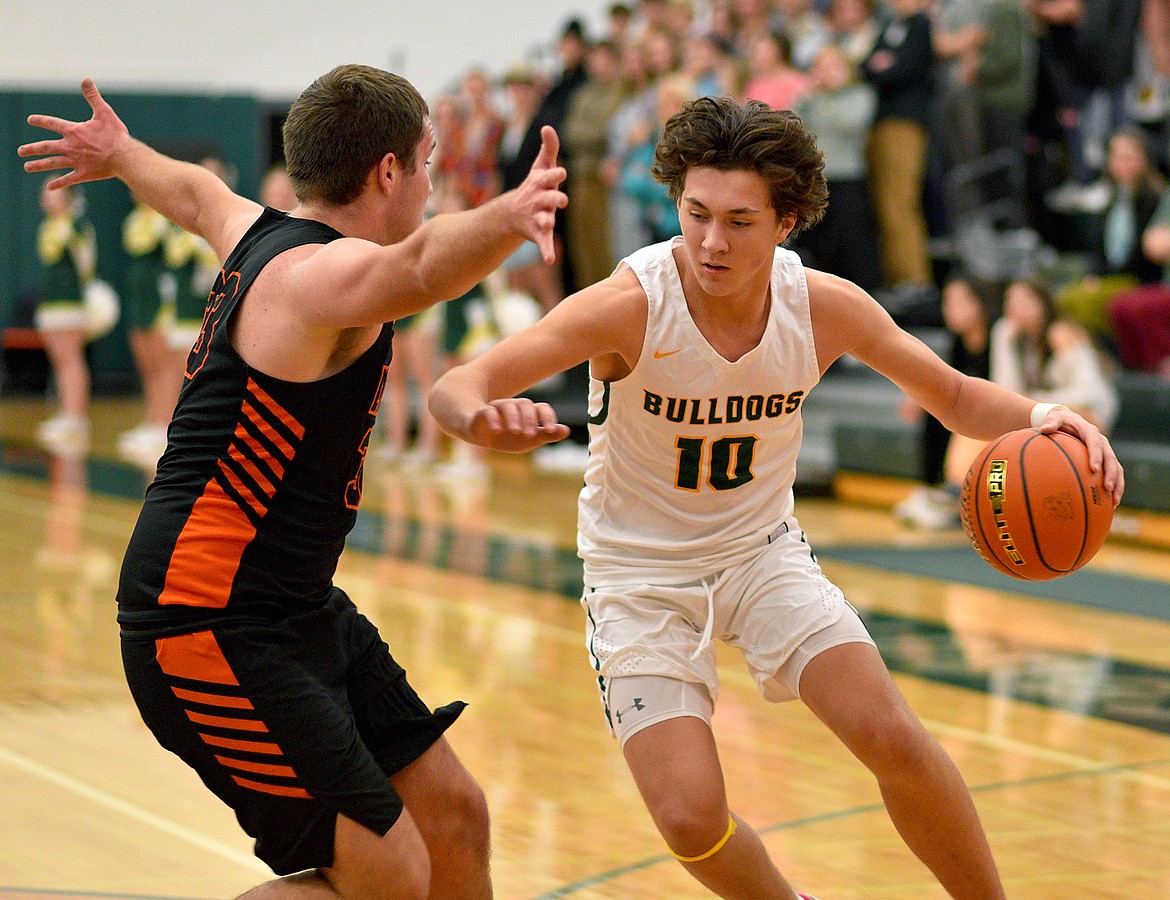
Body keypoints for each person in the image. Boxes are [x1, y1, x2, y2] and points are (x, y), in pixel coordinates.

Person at [429, 95, 1124, 900]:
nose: (711, 241)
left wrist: (1052, 418)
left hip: (760, 554)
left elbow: (959, 399)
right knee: (689, 818)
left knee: (891, 734)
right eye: (695, 214)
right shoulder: (632, 302)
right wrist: (475, 419)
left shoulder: (822, 306)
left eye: (739, 220)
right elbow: (461, 381)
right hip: (637, 577)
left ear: (786, 221)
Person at [19, 66, 566, 898]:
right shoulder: (318, 281)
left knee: (454, 816)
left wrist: (126, 153)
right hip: (203, 621)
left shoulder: (258, 229)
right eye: (427, 160)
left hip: (291, 604)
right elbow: (421, 267)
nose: (430, 178)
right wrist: (509, 213)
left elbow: (197, 195)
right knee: (390, 877)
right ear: (389, 171)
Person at [894, 273, 997, 530]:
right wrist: (919, 397)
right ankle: (933, 489)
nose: (952, 311)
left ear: (979, 304)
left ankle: (953, 495)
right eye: (948, 303)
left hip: (995, 412)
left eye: (960, 303)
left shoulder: (999, 335)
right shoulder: (958, 343)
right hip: (975, 410)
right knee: (932, 411)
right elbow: (946, 381)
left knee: (961, 420)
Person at [992, 277, 1120, 430]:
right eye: (1011, 304)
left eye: (1024, 302)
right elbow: (1007, 392)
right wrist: (1002, 337)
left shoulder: (1060, 333)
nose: (1017, 309)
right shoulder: (1020, 339)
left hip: (1089, 413)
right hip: (1053, 412)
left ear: (1043, 303)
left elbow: (1090, 393)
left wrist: (1035, 401)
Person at [33, 179, 97, 450]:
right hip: (52, 304)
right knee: (59, 361)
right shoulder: (47, 228)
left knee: (72, 360)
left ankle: (77, 417)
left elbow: (86, 266)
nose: (48, 197)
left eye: (54, 191)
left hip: (71, 304)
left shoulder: (77, 226)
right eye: (45, 191)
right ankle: (65, 412)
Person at [118, 193, 181, 464]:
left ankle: (165, 424)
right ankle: (152, 419)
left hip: (158, 299)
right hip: (137, 298)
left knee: (162, 364)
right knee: (145, 363)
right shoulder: (133, 220)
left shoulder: (167, 222)